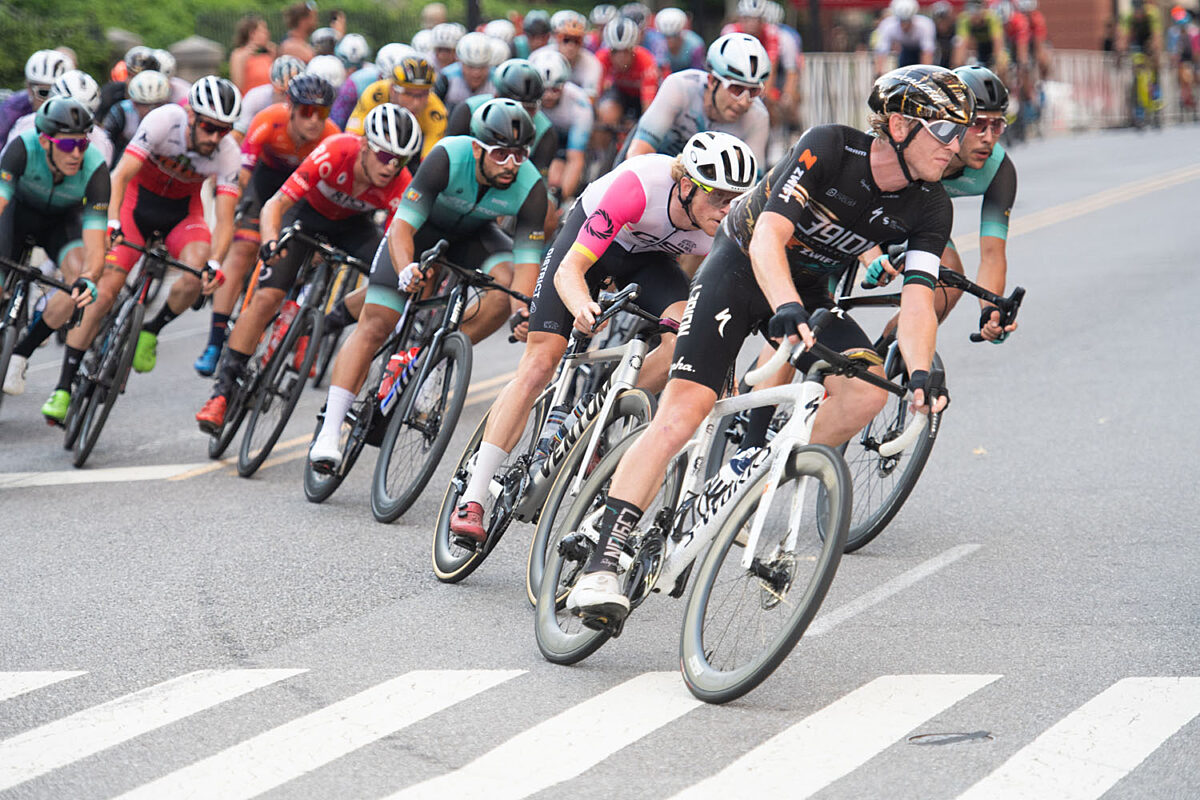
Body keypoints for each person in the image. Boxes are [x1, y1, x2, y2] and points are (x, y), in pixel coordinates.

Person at [564, 65, 971, 621]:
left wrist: (920, 374)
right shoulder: (829, 147)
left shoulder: (931, 206)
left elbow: (919, 299)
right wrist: (785, 310)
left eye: (962, 131)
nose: (957, 145)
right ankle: (602, 564)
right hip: (741, 266)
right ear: (900, 124)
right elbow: (768, 237)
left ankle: (751, 468)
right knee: (686, 410)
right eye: (947, 130)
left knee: (867, 392)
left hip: (806, 287)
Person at [448, 132, 757, 540]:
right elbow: (569, 271)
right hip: (590, 248)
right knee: (542, 361)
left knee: (683, 342)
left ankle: (599, 410)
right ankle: (473, 497)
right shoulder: (639, 187)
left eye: (736, 198)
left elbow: (724, 301)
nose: (727, 208)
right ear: (686, 186)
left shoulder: (734, 223)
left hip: (652, 263)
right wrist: (582, 306)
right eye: (717, 197)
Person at [307, 99, 549, 471]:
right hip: (420, 230)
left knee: (505, 289)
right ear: (476, 148)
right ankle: (331, 427)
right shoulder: (447, 158)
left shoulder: (531, 185)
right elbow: (402, 226)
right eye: (501, 154)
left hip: (474, 236)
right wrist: (406, 270)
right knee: (376, 323)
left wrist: (522, 310)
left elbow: (528, 262)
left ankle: (436, 360)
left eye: (519, 154)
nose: (511, 165)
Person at [195, 104, 420, 432]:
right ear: (363, 146)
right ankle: (222, 392)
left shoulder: (400, 182)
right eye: (385, 156)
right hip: (305, 215)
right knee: (266, 298)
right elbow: (277, 204)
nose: (391, 167)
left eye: (400, 160)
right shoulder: (334, 151)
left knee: (389, 282)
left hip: (353, 228)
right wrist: (270, 241)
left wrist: (402, 273)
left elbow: (395, 244)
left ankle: (330, 321)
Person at [78, 76, 241, 379]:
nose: (216, 138)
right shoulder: (164, 120)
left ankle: (151, 330)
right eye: (210, 127)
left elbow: (226, 218)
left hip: (182, 215)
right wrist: (112, 221)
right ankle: (65, 381)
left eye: (225, 130)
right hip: (135, 205)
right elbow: (121, 176)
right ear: (191, 115)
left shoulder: (229, 152)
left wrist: (215, 263)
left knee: (195, 276)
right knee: (108, 286)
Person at [193, 74, 341, 377]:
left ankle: (289, 318)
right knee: (243, 249)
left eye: (322, 113)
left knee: (303, 253)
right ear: (290, 107)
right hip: (263, 183)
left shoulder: (331, 136)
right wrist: (237, 212)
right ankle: (215, 340)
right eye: (306, 112)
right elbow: (243, 174)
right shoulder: (268, 121)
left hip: (301, 196)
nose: (314, 121)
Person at [866, 65, 1018, 345]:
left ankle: (888, 353)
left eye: (997, 125)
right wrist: (870, 252)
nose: (989, 137)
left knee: (950, 275)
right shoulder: (912, 142)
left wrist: (991, 310)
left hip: (919, 218)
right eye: (977, 124)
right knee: (816, 309)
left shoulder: (998, 169)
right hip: (863, 214)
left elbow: (993, 255)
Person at [0, 99, 109, 419]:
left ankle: (21, 353)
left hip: (60, 224)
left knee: (79, 281)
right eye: (67, 144)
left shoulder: (95, 168)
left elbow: (95, 244)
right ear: (46, 140)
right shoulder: (22, 147)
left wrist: (89, 277)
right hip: (16, 217)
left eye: (82, 143)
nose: (76, 153)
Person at [620, 32, 770, 173]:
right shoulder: (680, 87)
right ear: (712, 81)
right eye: (736, 88)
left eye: (754, 91)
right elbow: (636, 156)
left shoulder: (758, 117)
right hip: (657, 169)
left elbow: (753, 188)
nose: (744, 101)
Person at [443, 59, 557, 173]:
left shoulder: (546, 133)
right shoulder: (468, 110)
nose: (521, 113)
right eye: (513, 105)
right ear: (496, 97)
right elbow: (449, 156)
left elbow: (536, 178)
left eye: (530, 108)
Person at [347, 53, 447, 163]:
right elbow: (352, 138)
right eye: (409, 94)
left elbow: (429, 163)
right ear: (393, 90)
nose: (416, 102)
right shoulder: (375, 93)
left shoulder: (436, 111)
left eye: (423, 94)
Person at [529, 50, 594, 203]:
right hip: (535, 141)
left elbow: (575, 159)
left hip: (564, 143)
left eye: (555, 89)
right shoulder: (527, 96)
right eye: (543, 89)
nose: (548, 95)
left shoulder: (580, 103)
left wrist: (559, 198)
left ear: (564, 85)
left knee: (554, 181)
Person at [596, 17, 660, 139]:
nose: (620, 58)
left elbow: (648, 106)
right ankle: (602, 154)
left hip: (642, 97)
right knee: (606, 115)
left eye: (625, 51)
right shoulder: (601, 58)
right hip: (620, 93)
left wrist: (640, 125)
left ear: (633, 49)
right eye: (615, 51)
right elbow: (596, 95)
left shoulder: (646, 61)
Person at [332, 42, 410, 129]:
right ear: (380, 76)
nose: (393, 90)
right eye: (390, 83)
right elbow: (337, 124)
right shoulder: (355, 84)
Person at [102, 69, 171, 166]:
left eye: (156, 105)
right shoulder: (121, 112)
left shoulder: (172, 114)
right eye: (143, 105)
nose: (149, 110)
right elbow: (105, 144)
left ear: (166, 103)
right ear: (133, 103)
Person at [0, 50, 71, 143]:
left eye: (60, 94)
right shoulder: (10, 110)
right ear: (29, 89)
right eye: (44, 93)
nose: (52, 101)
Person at [534, 11, 603, 98]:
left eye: (577, 40)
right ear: (556, 38)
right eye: (566, 40)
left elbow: (590, 100)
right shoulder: (538, 57)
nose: (571, 46)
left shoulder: (592, 63)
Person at [235, 55, 306, 139]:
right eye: (282, 93)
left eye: (293, 95)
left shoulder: (308, 99)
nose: (287, 99)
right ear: (272, 85)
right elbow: (238, 134)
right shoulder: (255, 96)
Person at [434, 32, 495, 115]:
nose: (476, 74)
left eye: (482, 67)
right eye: (470, 66)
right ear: (460, 63)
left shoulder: (497, 79)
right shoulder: (446, 77)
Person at [873, 0, 936, 75]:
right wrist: (878, 74)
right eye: (902, 21)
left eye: (907, 21)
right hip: (904, 52)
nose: (904, 25)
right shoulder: (887, 25)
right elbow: (881, 52)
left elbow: (927, 53)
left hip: (919, 51)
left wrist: (926, 75)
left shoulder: (925, 25)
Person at [954, 0, 1009, 71]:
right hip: (978, 48)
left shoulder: (992, 18)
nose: (975, 15)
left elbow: (998, 43)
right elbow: (961, 46)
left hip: (991, 46)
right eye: (972, 10)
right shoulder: (964, 20)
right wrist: (958, 66)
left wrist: (998, 62)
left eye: (978, 10)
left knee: (1002, 64)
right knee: (958, 62)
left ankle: (1002, 81)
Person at [649, 8, 706, 74]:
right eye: (666, 37)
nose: (670, 41)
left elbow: (698, 72)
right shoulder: (658, 45)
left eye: (674, 36)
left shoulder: (695, 45)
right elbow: (659, 71)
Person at [230, 14, 277, 93]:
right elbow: (237, 86)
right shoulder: (238, 55)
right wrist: (243, 59)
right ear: (252, 33)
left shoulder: (268, 55)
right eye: (263, 31)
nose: (267, 33)